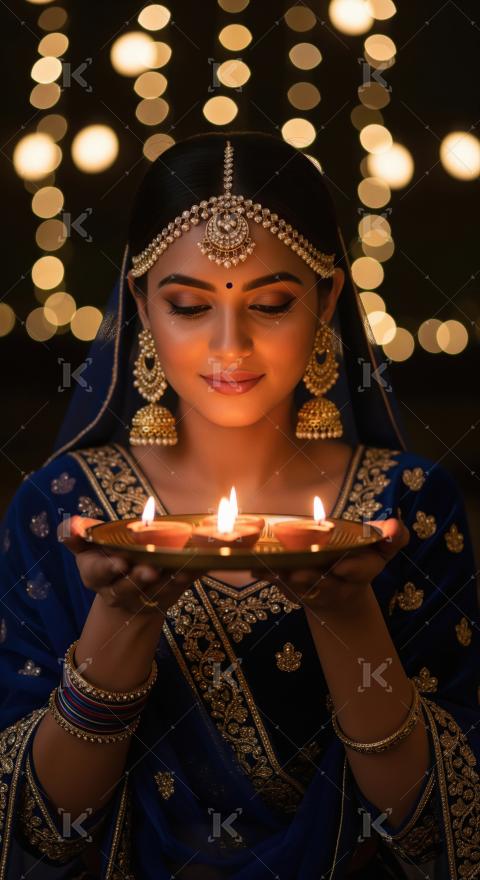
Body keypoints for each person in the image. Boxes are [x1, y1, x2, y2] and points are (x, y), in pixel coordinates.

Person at [0, 131, 478, 880]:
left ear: (329, 302)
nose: (231, 345)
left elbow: (441, 833)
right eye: (189, 305)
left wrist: (346, 612)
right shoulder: (64, 508)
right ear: (140, 304)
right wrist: (121, 618)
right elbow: (40, 829)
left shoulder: (406, 505)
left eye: (273, 303)